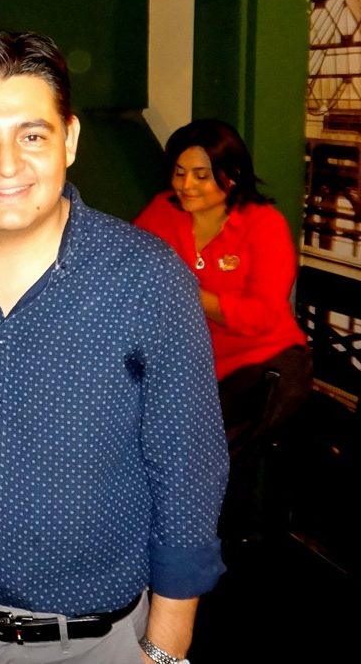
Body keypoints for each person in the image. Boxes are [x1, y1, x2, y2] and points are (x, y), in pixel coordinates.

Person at [0, 30, 228, 664]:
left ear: (70, 139)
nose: (6, 165)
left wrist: (165, 650)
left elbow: (188, 471)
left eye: (32, 136)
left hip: (90, 644)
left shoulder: (147, 278)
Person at [134, 119, 312, 543]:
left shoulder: (262, 223)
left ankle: (212, 538)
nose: (186, 186)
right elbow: (129, 265)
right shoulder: (162, 211)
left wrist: (190, 293)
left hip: (263, 360)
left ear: (231, 175)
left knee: (198, 442)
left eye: (201, 175)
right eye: (179, 172)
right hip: (193, 362)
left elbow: (262, 317)